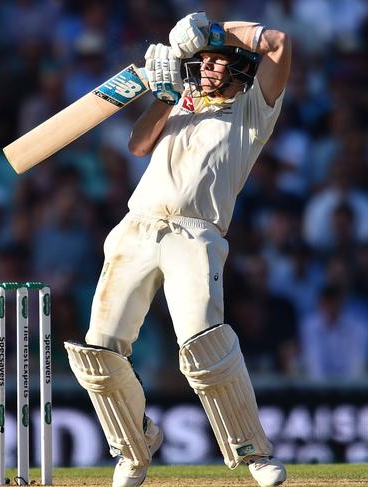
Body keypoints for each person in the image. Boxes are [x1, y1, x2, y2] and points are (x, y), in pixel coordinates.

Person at [64, 12, 291, 487]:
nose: (208, 68)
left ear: (237, 67)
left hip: (195, 233)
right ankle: (133, 447)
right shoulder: (180, 100)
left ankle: (253, 453)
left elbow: (277, 43)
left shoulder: (254, 109)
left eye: (217, 61)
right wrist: (166, 99)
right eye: (202, 61)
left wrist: (214, 31)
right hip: (138, 226)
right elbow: (138, 145)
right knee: (99, 350)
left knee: (204, 343)